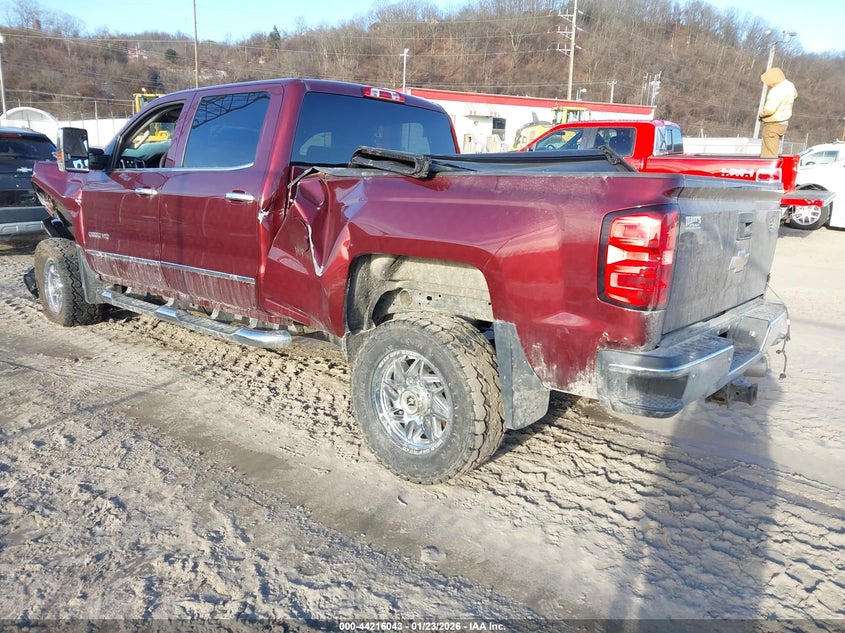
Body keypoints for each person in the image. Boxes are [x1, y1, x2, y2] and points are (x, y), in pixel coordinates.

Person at [758, 67, 798, 158]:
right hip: (783, 123)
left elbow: (769, 110)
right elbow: (795, 96)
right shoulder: (790, 85)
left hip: (773, 124)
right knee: (774, 149)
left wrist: (761, 114)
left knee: (769, 153)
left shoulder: (776, 91)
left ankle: (769, 170)